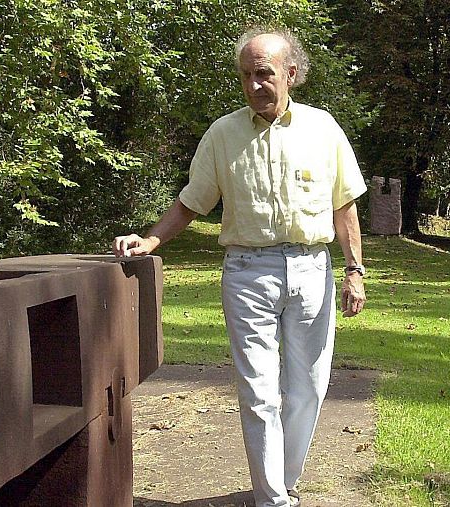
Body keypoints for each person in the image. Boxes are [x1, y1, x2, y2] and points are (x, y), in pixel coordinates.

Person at [113, 29, 367, 507]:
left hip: (313, 268)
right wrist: (150, 238)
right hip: (248, 271)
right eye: (246, 75)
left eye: (264, 73)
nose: (254, 85)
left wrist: (355, 271)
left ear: (291, 74)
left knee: (310, 389)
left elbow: (345, 206)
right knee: (258, 391)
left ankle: (281, 482)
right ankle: (273, 499)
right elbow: (192, 203)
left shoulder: (323, 129)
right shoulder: (223, 134)